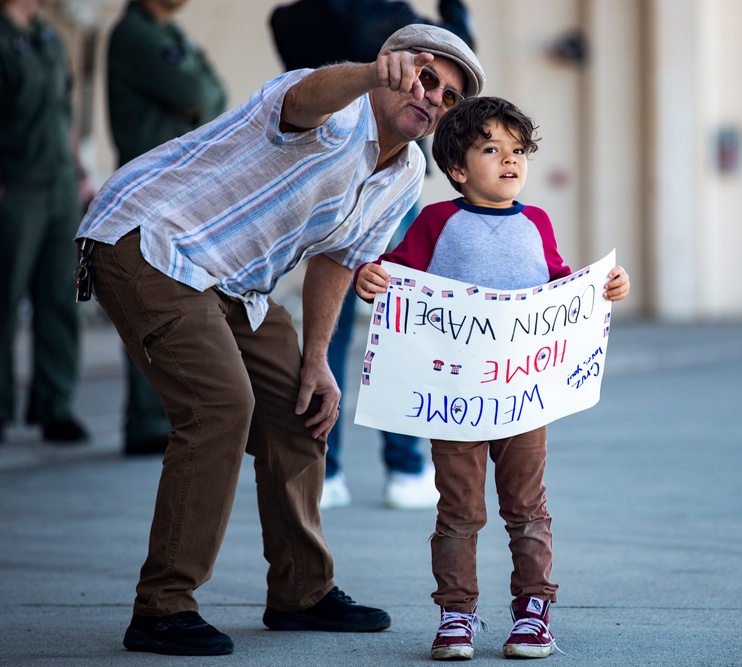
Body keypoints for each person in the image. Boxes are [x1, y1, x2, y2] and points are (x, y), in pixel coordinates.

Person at [76, 23, 485, 656]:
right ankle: (163, 606)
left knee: (303, 407)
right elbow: (303, 101)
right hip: (150, 240)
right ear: (397, 67)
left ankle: (301, 593)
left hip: (236, 283)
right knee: (219, 406)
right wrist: (375, 72)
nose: (433, 98)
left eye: (450, 97)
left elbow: (338, 259)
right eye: (426, 77)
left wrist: (317, 361)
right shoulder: (334, 108)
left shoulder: (404, 172)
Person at [353, 96, 631, 660]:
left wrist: (600, 287)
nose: (511, 161)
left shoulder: (537, 223)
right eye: (492, 150)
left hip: (524, 398)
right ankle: (457, 613)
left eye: (518, 151)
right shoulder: (438, 221)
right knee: (459, 511)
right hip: (455, 401)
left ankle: (534, 609)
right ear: (457, 168)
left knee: (527, 507)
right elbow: (397, 271)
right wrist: (370, 275)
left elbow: (558, 286)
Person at [269, 0, 476, 510]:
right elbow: (456, 53)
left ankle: (329, 467)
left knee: (334, 320)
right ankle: (404, 466)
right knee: (399, 318)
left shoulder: (289, 19)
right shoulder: (387, 15)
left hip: (340, 170)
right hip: (375, 164)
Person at [106, 0, 227, 456]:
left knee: (174, 299)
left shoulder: (171, 34)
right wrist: (194, 105)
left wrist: (196, 105)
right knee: (146, 299)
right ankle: (144, 420)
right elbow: (196, 92)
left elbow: (214, 95)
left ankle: (161, 413)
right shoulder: (136, 34)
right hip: (145, 188)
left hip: (173, 188)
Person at [0, 0, 92, 445]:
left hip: (59, 186)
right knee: (4, 298)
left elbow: (64, 110)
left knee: (61, 298)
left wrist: (79, 172)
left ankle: (54, 405)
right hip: (14, 184)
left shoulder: (48, 35)